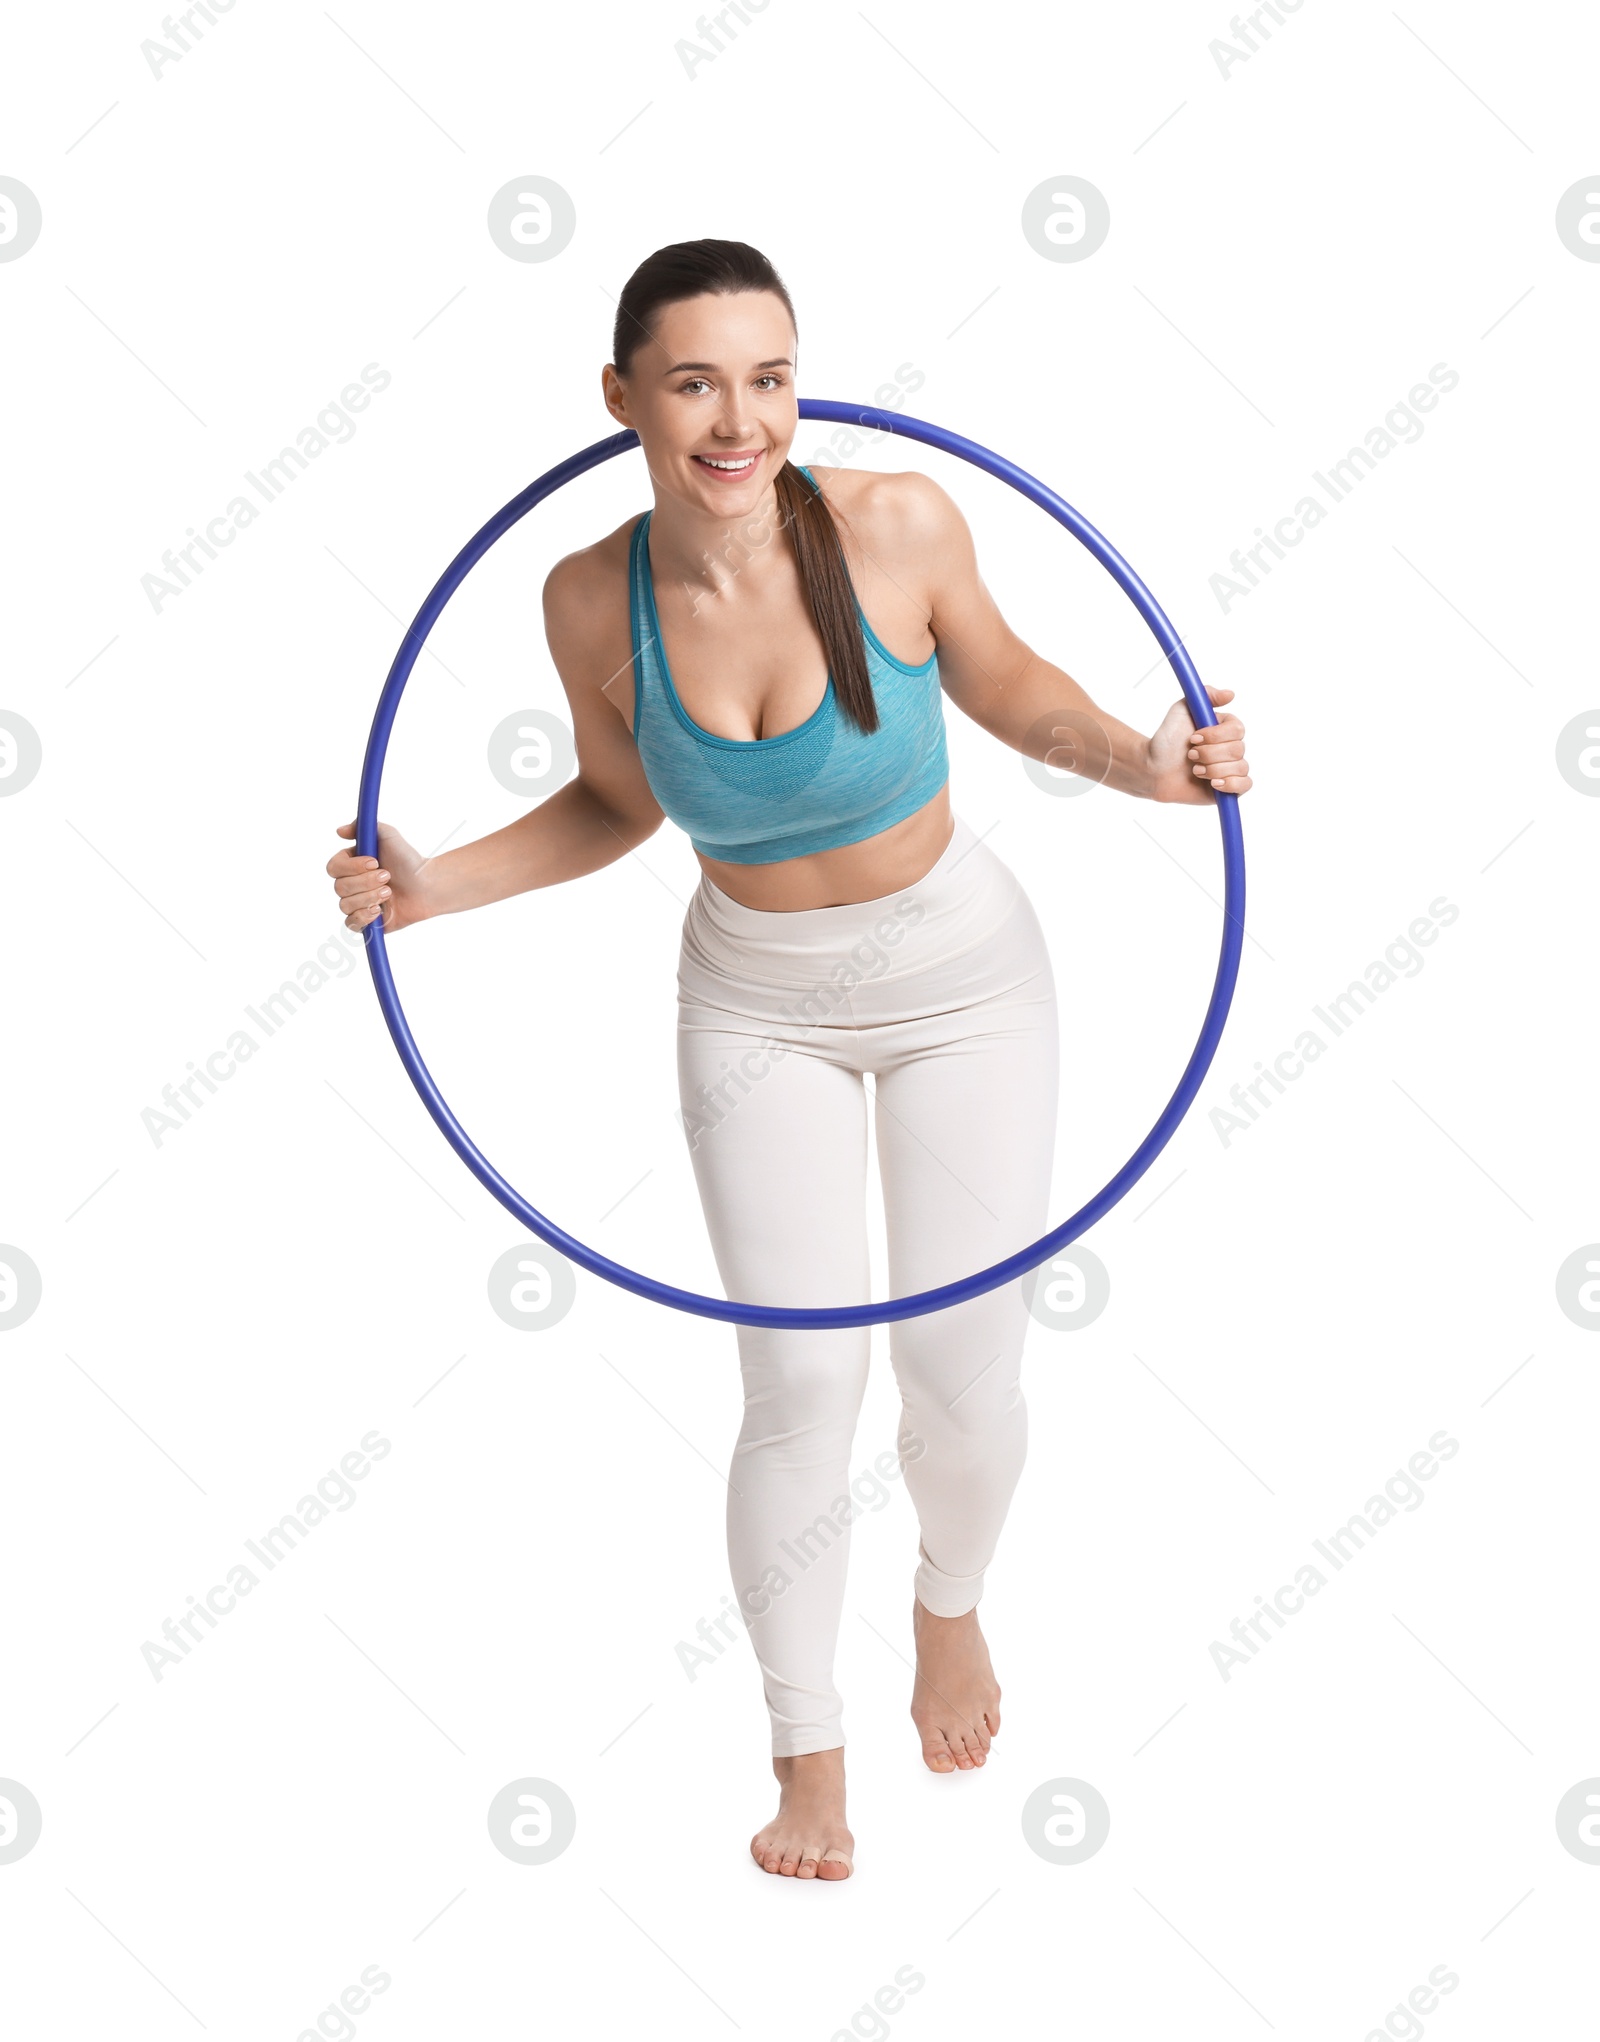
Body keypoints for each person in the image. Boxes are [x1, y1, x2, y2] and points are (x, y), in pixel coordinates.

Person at [327, 239, 1252, 1883]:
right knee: (802, 1381)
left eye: (769, 375)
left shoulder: (893, 525)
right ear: (620, 399)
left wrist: (1145, 765)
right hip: (754, 1000)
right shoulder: (582, 595)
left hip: (967, 980)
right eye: (692, 380)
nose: (737, 418)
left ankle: (949, 1602)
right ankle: (807, 1752)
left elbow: (1014, 684)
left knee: (962, 1378)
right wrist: (430, 883)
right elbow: (621, 805)